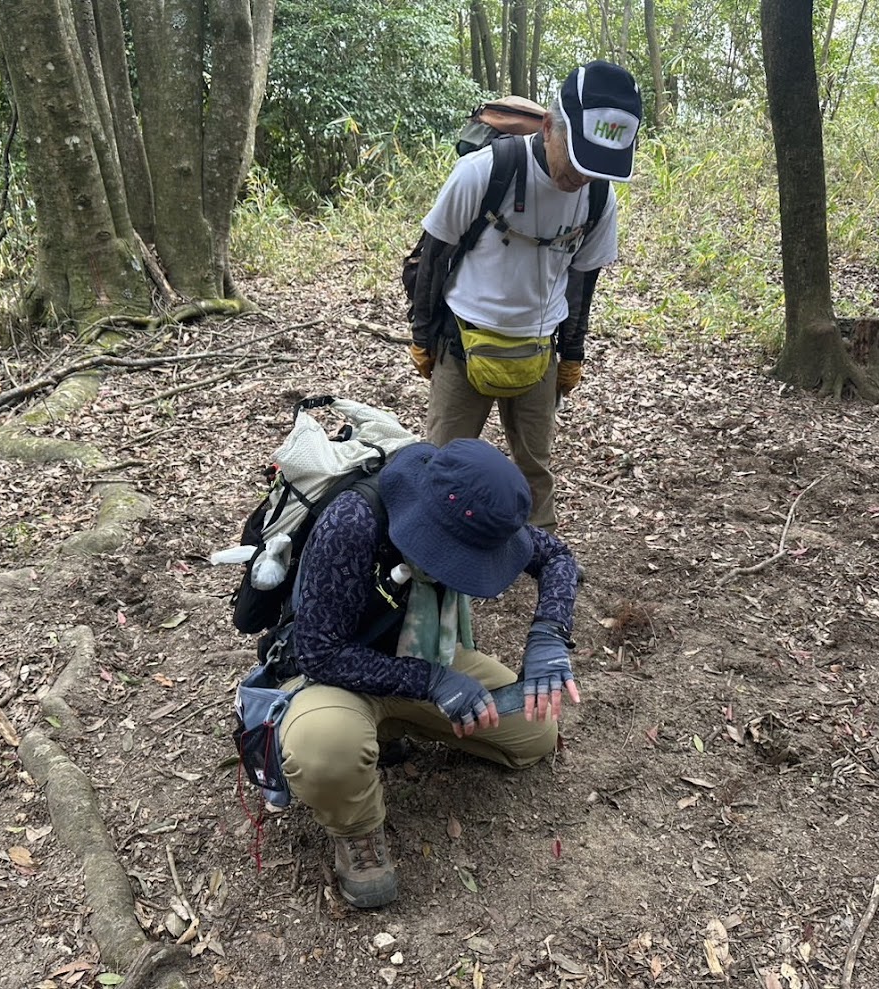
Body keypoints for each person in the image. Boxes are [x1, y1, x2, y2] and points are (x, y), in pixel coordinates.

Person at [278, 438, 581, 908]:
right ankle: (357, 833)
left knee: (535, 733)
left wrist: (549, 635)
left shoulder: (481, 516)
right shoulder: (353, 522)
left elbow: (558, 557)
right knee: (325, 748)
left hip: (424, 651)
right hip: (337, 676)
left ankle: (393, 725)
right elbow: (318, 652)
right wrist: (432, 683)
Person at [408, 61, 643, 531]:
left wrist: (572, 354)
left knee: (535, 468)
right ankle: (427, 551)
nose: (581, 177)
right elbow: (433, 258)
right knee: (441, 461)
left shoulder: (599, 197)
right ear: (550, 127)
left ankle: (540, 552)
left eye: (595, 167)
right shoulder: (483, 172)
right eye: (576, 159)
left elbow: (582, 282)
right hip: (462, 341)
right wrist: (422, 335)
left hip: (540, 350)